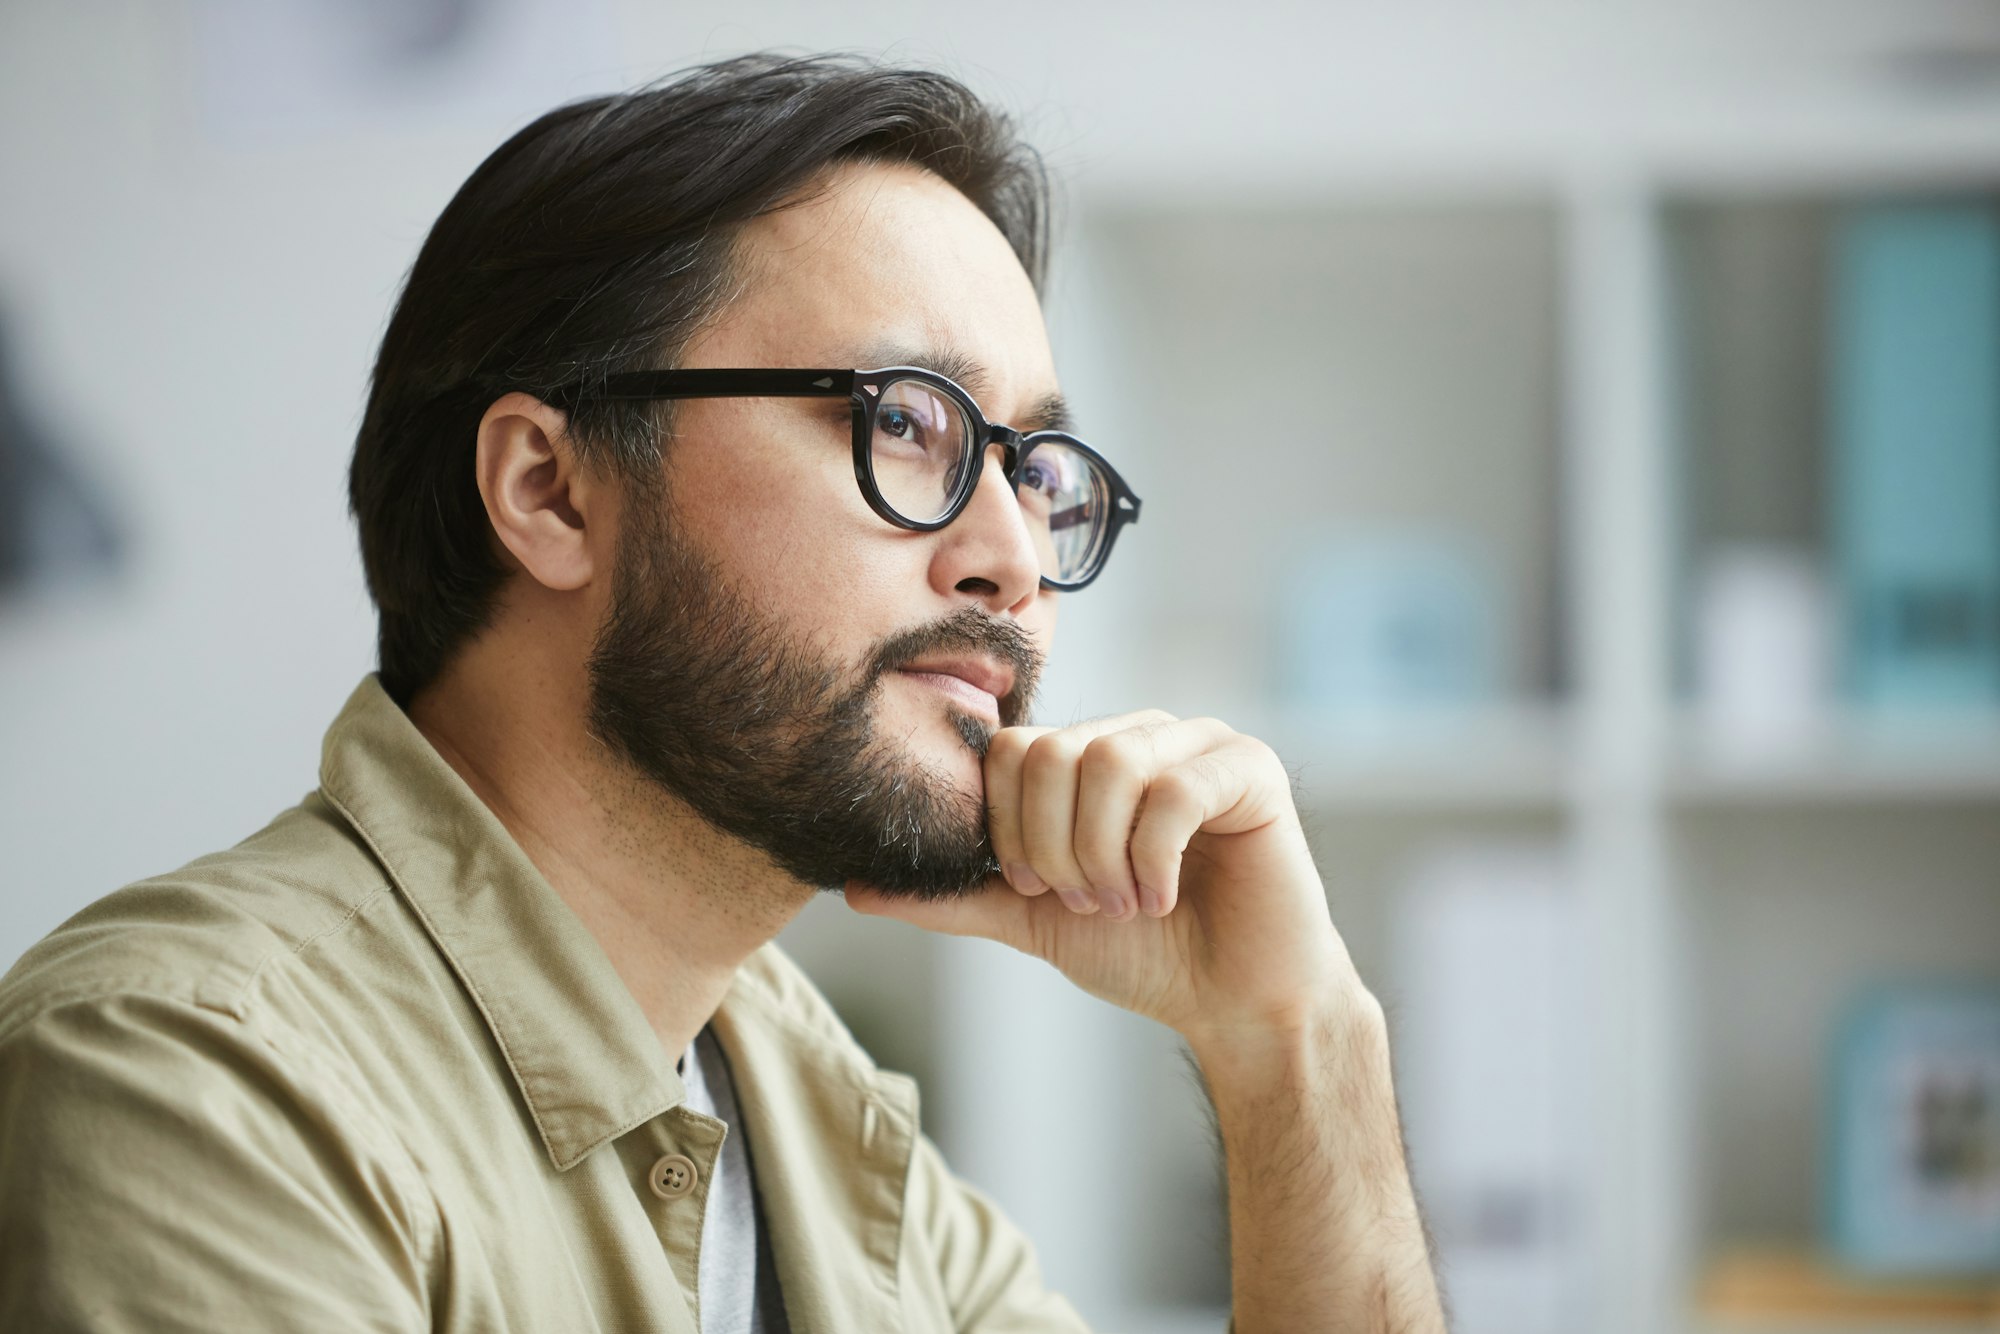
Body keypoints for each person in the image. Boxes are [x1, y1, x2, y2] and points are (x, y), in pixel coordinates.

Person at [0, 54, 1445, 1334]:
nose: (1015, 560)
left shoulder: (822, 1120)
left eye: (1033, 470)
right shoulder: (201, 1086)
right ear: (550, 490)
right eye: (903, 424)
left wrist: (1297, 1046)